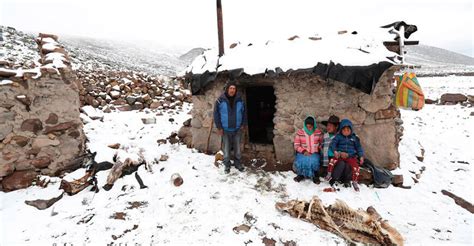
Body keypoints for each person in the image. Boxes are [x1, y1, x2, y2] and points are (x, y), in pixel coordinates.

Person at [213, 81, 247, 174]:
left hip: (237, 129)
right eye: (230, 88)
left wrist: (243, 124)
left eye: (234, 89)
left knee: (238, 148)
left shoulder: (240, 100)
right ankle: (227, 164)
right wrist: (219, 127)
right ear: (227, 89)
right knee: (226, 149)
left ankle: (238, 163)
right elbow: (216, 114)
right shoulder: (220, 100)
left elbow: (244, 113)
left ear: (235, 90)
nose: (232, 90)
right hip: (225, 129)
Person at [325, 119, 364, 191]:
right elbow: (333, 144)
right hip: (340, 155)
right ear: (341, 130)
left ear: (351, 130)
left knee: (355, 167)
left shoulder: (354, 138)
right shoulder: (338, 137)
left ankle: (354, 181)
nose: (346, 132)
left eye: (348, 130)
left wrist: (361, 156)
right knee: (332, 161)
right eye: (344, 130)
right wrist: (335, 151)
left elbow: (359, 148)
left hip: (350, 156)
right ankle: (329, 174)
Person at [293, 116, 323, 183]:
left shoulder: (318, 133)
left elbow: (321, 142)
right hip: (303, 152)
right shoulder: (300, 133)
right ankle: (301, 175)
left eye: (311, 127)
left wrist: (320, 146)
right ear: (305, 125)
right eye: (307, 126)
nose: (309, 128)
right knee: (302, 160)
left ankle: (315, 176)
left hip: (314, 152)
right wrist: (303, 151)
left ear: (314, 125)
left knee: (314, 161)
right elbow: (296, 145)